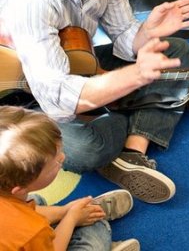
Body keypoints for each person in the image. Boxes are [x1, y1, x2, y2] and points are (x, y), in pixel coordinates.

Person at [0, 0, 189, 204]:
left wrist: (148, 31)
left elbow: (123, 35)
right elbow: (58, 99)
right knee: (86, 149)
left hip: (74, 65)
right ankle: (143, 111)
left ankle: (133, 152)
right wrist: (135, 78)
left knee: (176, 52)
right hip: (17, 97)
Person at [0, 105, 139, 251]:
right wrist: (71, 219)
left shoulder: (10, 194)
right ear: (19, 188)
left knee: (36, 201)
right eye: (56, 162)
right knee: (96, 230)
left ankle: (76, 216)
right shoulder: (32, 231)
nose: (63, 157)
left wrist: (64, 211)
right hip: (33, 237)